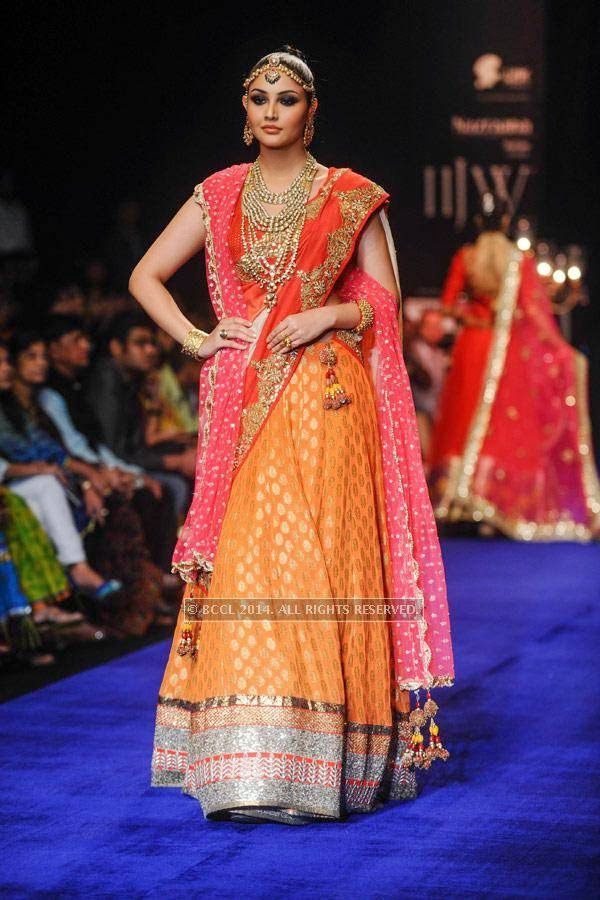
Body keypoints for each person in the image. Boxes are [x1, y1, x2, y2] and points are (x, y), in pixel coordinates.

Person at [131, 46, 454, 823]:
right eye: (258, 98)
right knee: (250, 558)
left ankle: (326, 762)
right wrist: (198, 337)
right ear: (244, 114)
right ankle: (251, 764)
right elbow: (146, 276)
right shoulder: (217, 194)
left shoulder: (347, 196)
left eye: (287, 98)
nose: (270, 110)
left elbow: (385, 303)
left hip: (329, 398)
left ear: (312, 112)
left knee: (322, 563)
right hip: (243, 399)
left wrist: (328, 313)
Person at [428, 193, 600, 540]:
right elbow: (534, 315)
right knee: (502, 424)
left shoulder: (468, 256)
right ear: (506, 223)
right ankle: (495, 503)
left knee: (463, 422)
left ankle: (456, 503)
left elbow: (447, 307)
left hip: (472, 346)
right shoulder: (517, 260)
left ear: (478, 223)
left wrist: (473, 316)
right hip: (504, 351)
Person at [39, 314, 180, 583]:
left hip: (98, 464)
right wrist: (106, 472)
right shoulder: (61, 391)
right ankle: (136, 590)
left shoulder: (77, 385)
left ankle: (151, 585)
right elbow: (74, 445)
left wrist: (127, 471)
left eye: (86, 339)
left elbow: (96, 443)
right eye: (76, 340)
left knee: (154, 491)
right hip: (74, 471)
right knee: (132, 499)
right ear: (54, 349)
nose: (86, 346)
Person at [86, 311, 194, 517]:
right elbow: (117, 449)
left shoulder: (132, 380)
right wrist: (175, 461)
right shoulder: (106, 381)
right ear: (117, 348)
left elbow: (140, 442)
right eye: (140, 343)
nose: (151, 350)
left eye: (152, 343)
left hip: (133, 460)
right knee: (174, 486)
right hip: (110, 464)